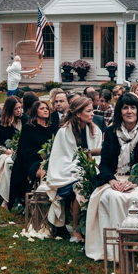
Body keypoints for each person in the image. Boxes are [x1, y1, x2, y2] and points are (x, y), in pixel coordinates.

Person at [85, 93, 138, 261]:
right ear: (120, 111)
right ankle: (116, 250)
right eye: (125, 108)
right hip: (114, 179)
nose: (129, 111)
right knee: (114, 197)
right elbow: (104, 163)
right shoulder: (111, 132)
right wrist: (112, 181)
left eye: (133, 107)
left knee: (134, 198)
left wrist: (134, 182)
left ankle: (135, 246)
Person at [39, 95, 104, 240]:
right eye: (88, 111)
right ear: (78, 114)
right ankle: (76, 228)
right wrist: (82, 168)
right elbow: (62, 157)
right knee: (81, 186)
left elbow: (98, 153)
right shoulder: (64, 132)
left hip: (91, 167)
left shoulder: (95, 130)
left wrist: (92, 165)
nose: (92, 114)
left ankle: (94, 226)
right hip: (67, 171)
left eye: (92, 110)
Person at [8, 99, 58, 210]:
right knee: (45, 167)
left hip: (55, 160)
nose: (45, 110)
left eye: (47, 108)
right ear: (36, 112)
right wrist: (43, 155)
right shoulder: (29, 129)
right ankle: (42, 203)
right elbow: (25, 150)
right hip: (33, 162)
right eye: (42, 108)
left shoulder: (54, 128)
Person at [0, 96, 24, 204]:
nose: (19, 111)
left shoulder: (24, 120)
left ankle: (7, 198)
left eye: (20, 108)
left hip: (23, 152)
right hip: (8, 152)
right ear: (10, 109)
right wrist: (6, 151)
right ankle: (7, 196)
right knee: (8, 162)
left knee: (10, 163)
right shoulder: (1, 125)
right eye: (16, 108)